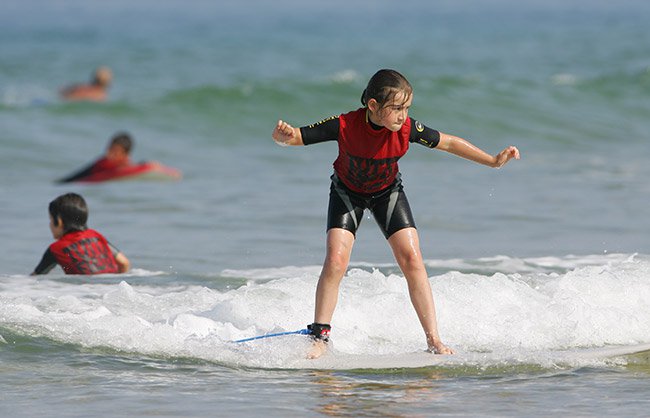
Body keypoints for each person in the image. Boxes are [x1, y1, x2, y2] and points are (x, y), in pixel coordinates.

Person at [272, 69, 520, 358]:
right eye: (397, 109)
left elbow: (449, 142)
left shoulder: (408, 130)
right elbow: (298, 137)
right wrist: (283, 137)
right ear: (373, 106)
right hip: (347, 193)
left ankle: (434, 341)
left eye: (407, 108)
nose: (403, 116)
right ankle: (319, 337)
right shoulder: (344, 125)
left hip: (387, 193)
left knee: (412, 259)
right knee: (336, 260)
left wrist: (492, 161)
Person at [31, 193, 130, 275]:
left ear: (59, 221)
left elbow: (36, 278)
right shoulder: (95, 235)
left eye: (51, 219)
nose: (50, 224)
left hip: (84, 293)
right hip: (109, 288)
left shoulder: (55, 249)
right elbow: (124, 263)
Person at [57, 132, 133, 183]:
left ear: (125, 154)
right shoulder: (104, 162)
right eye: (110, 148)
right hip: (79, 178)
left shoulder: (120, 162)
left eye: (115, 151)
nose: (110, 153)